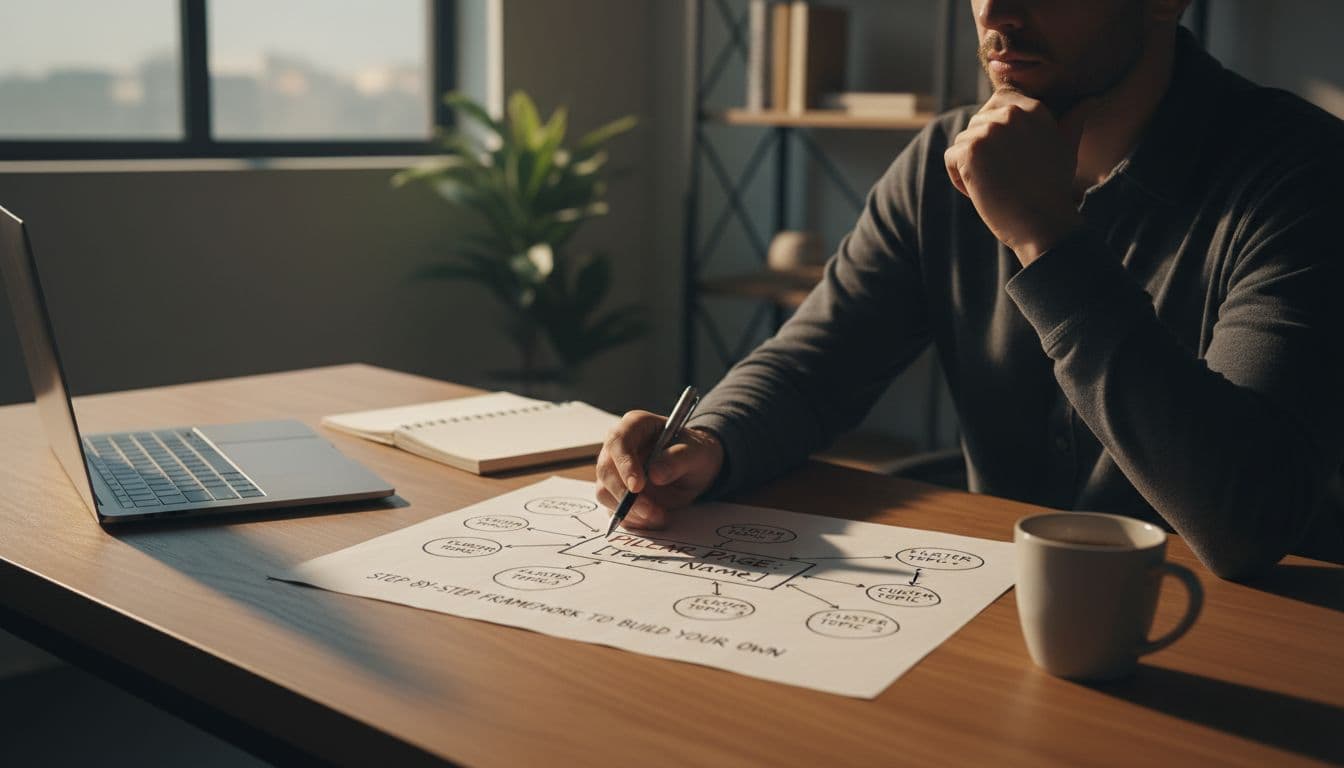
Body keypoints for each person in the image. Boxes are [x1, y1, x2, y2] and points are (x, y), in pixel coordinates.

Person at [596, 0, 1344, 579]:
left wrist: (1046, 238)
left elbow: (1249, 522)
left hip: (1227, 636)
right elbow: (811, 371)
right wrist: (707, 442)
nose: (997, 10)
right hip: (999, 604)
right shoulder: (940, 164)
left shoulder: (1302, 175)